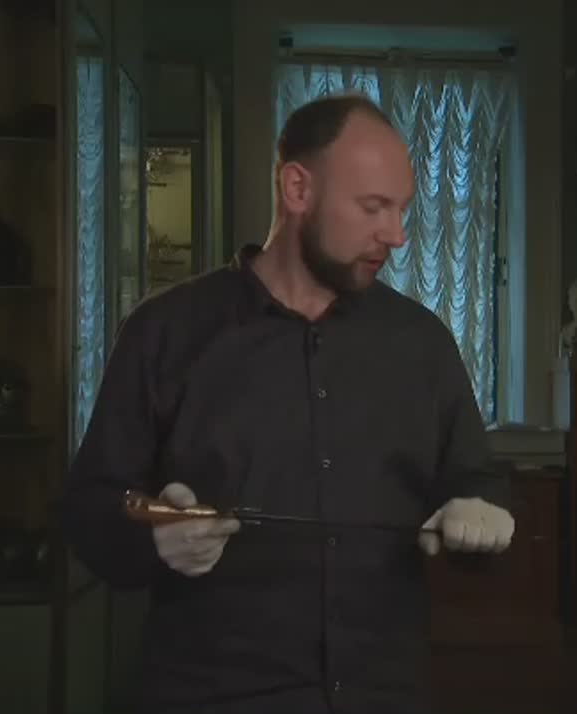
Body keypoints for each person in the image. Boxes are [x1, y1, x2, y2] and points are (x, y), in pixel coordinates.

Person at [60, 93, 516, 714]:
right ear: (297, 189)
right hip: (212, 697)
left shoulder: (423, 343)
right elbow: (89, 510)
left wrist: (480, 512)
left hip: (384, 694)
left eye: (401, 209)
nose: (397, 235)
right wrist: (155, 540)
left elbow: (478, 482)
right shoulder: (165, 332)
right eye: (373, 207)